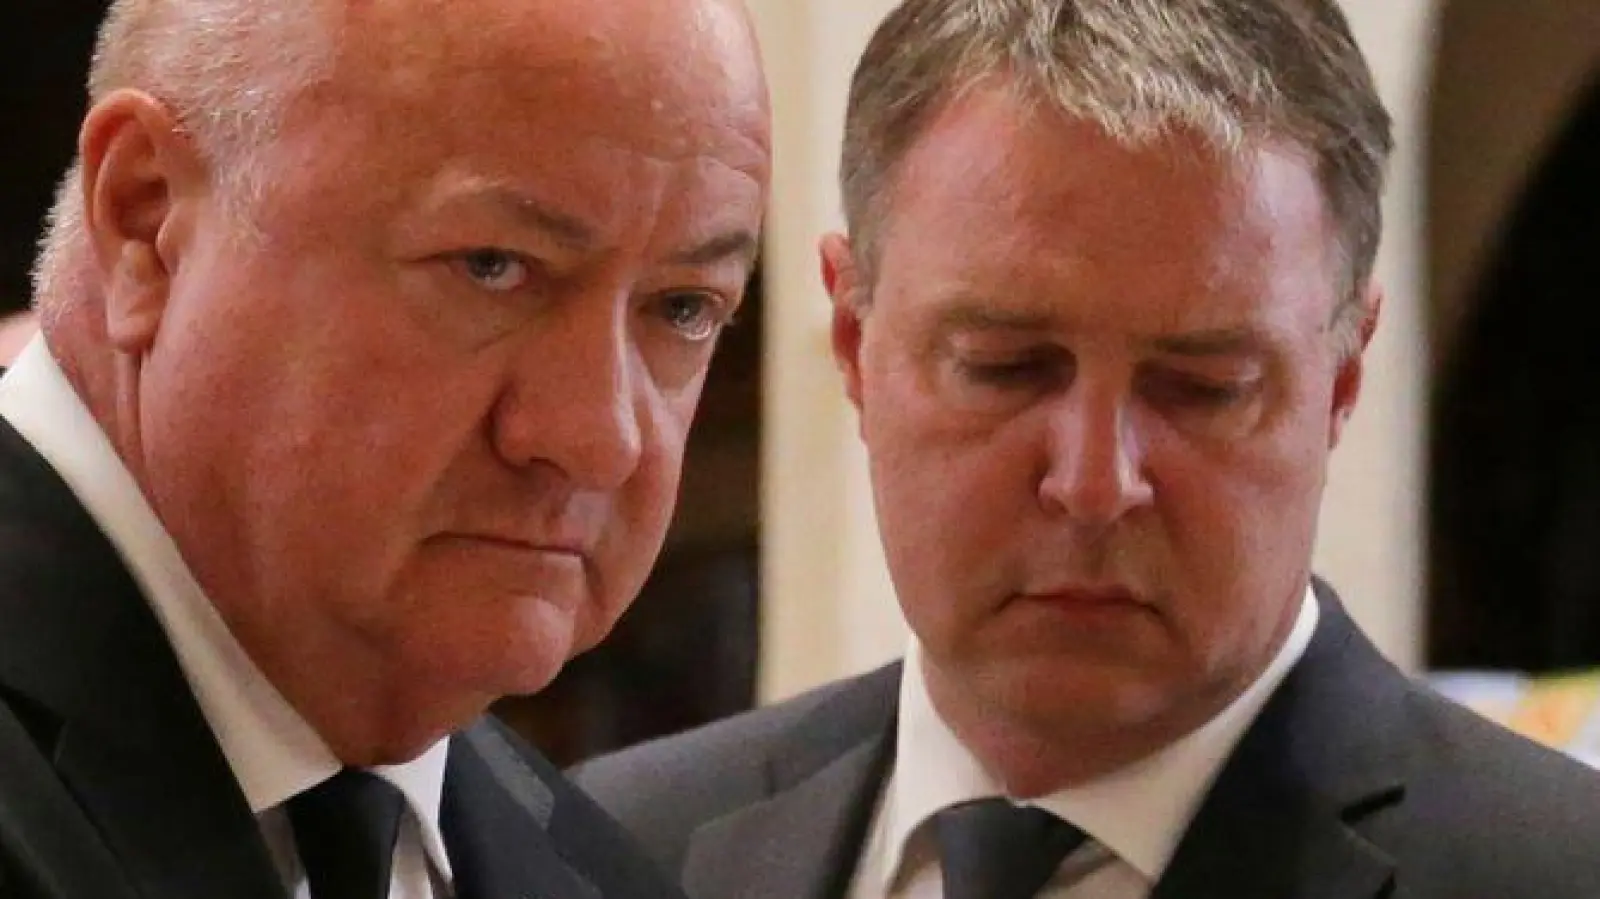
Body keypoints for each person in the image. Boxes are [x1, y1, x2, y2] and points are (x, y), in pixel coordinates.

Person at [572, 1, 1600, 897]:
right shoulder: (608, 851)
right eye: (1004, 367)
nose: (1095, 482)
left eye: (1202, 385)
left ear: (1340, 378)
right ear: (854, 339)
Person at [0, 0, 769, 895]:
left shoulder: (600, 874)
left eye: (683, 307)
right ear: (148, 220)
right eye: (492, 265)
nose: (601, 440)